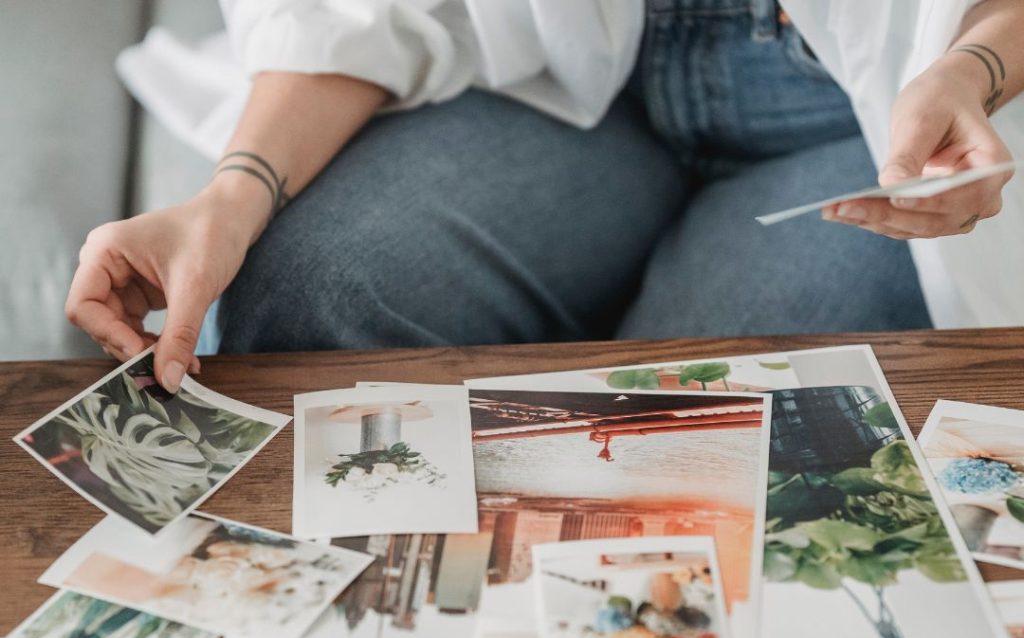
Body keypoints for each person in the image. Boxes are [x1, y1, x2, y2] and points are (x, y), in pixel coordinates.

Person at [67, 0, 1023, 392]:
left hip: (863, 119)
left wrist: (976, 68)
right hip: (577, 90)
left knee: (703, 415)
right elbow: (366, 13)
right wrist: (235, 194)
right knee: (309, 284)